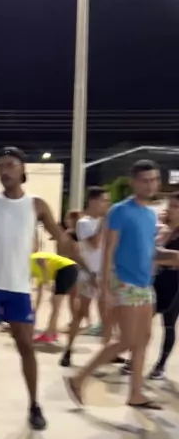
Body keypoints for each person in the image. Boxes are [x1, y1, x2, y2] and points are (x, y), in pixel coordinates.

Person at [0, 147, 71, 431]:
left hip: (18, 288)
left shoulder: (37, 205)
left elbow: (61, 238)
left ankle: (34, 405)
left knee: (26, 347)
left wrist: (86, 266)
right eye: (0, 166)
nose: (4, 170)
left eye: (10, 165)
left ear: (23, 169)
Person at [65, 160, 179, 409]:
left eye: (154, 180)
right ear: (133, 183)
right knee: (127, 340)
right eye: (145, 181)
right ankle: (79, 378)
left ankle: (135, 393)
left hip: (145, 283)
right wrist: (106, 288)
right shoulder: (120, 211)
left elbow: (149, 251)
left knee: (144, 338)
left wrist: (172, 256)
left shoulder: (150, 214)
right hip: (125, 282)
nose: (151, 185)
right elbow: (108, 250)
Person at [61, 188, 110, 367]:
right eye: (104, 201)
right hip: (88, 273)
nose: (107, 205)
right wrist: (104, 223)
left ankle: (108, 352)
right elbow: (94, 243)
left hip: (103, 274)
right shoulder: (84, 222)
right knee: (80, 313)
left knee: (107, 315)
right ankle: (68, 350)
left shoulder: (103, 223)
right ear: (93, 201)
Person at [148, 192, 179, 380]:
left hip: (175, 282)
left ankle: (160, 365)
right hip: (157, 278)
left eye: (175, 206)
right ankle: (134, 359)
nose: (170, 210)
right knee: (143, 321)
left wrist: (158, 256)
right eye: (170, 206)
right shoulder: (163, 229)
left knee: (168, 323)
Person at [31, 252, 79, 343]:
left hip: (66, 269)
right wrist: (34, 311)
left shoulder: (31, 260)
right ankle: (53, 332)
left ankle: (49, 335)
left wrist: (47, 282)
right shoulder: (35, 271)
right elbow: (40, 293)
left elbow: (42, 261)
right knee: (55, 304)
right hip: (67, 269)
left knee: (56, 305)